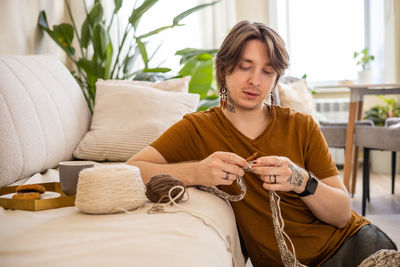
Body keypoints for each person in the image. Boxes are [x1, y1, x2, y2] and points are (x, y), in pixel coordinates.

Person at [127, 21, 397, 266]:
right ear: (224, 69)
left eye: (267, 72)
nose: (255, 80)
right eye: (245, 67)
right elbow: (131, 169)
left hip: (358, 248)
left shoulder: (301, 125)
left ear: (276, 80)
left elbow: (341, 215)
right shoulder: (198, 128)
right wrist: (196, 172)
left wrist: (302, 181)